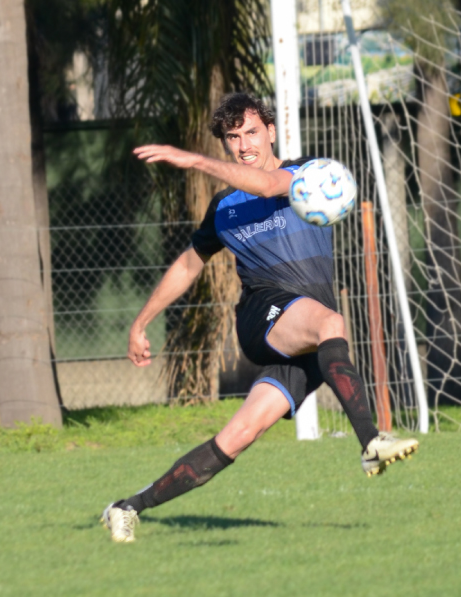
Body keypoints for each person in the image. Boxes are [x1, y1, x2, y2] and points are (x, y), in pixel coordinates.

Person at [102, 92, 418, 543]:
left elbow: (268, 186)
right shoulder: (223, 209)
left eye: (251, 132)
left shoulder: (307, 174)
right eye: (233, 138)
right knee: (332, 323)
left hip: (306, 340)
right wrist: (140, 322)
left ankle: (127, 507)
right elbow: (189, 264)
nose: (244, 144)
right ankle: (371, 442)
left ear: (271, 131)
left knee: (238, 436)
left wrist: (195, 161)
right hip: (262, 317)